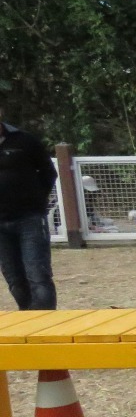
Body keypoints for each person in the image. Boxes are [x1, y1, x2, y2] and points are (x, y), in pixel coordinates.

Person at [0, 115, 58, 310]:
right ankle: (28, 322)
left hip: (29, 218)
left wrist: (37, 200)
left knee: (38, 276)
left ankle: (46, 324)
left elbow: (48, 172)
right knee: (15, 281)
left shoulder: (25, 141)